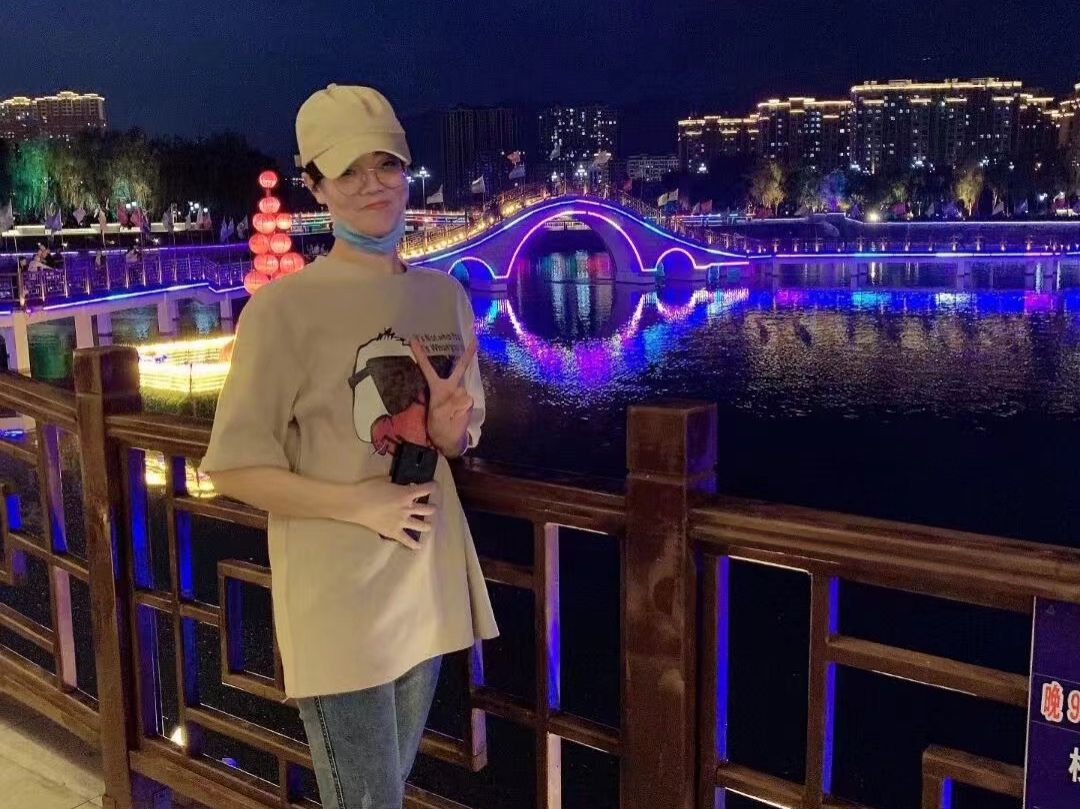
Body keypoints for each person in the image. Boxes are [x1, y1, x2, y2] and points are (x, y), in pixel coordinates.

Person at [200, 84, 498, 809]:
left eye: (386, 164)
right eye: (348, 170)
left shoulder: (442, 297)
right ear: (315, 185)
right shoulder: (284, 309)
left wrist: (450, 427)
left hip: (424, 581)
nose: (373, 184)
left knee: (383, 791)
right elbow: (234, 465)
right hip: (339, 596)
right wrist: (358, 503)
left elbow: (457, 440)